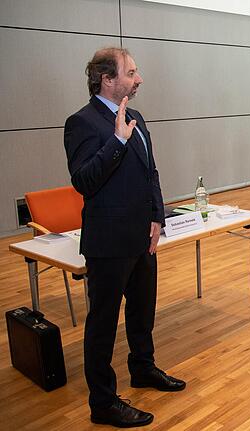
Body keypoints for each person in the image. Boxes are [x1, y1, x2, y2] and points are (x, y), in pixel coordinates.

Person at [64, 47, 185, 428]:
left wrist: (156, 217)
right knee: (102, 324)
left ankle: (143, 367)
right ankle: (102, 402)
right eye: (131, 72)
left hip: (142, 236)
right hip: (109, 241)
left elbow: (151, 172)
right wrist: (116, 143)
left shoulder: (136, 116)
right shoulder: (81, 122)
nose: (139, 78)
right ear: (107, 79)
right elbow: (84, 181)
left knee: (142, 311)